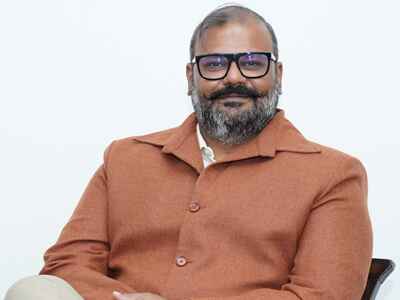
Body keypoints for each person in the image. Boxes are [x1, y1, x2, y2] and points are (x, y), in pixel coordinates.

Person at [5, 4, 373, 300]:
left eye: (252, 63)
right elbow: (67, 263)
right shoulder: (126, 157)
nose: (233, 77)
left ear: (278, 75)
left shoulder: (333, 174)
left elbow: (323, 294)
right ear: (189, 77)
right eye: (213, 64)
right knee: (33, 292)